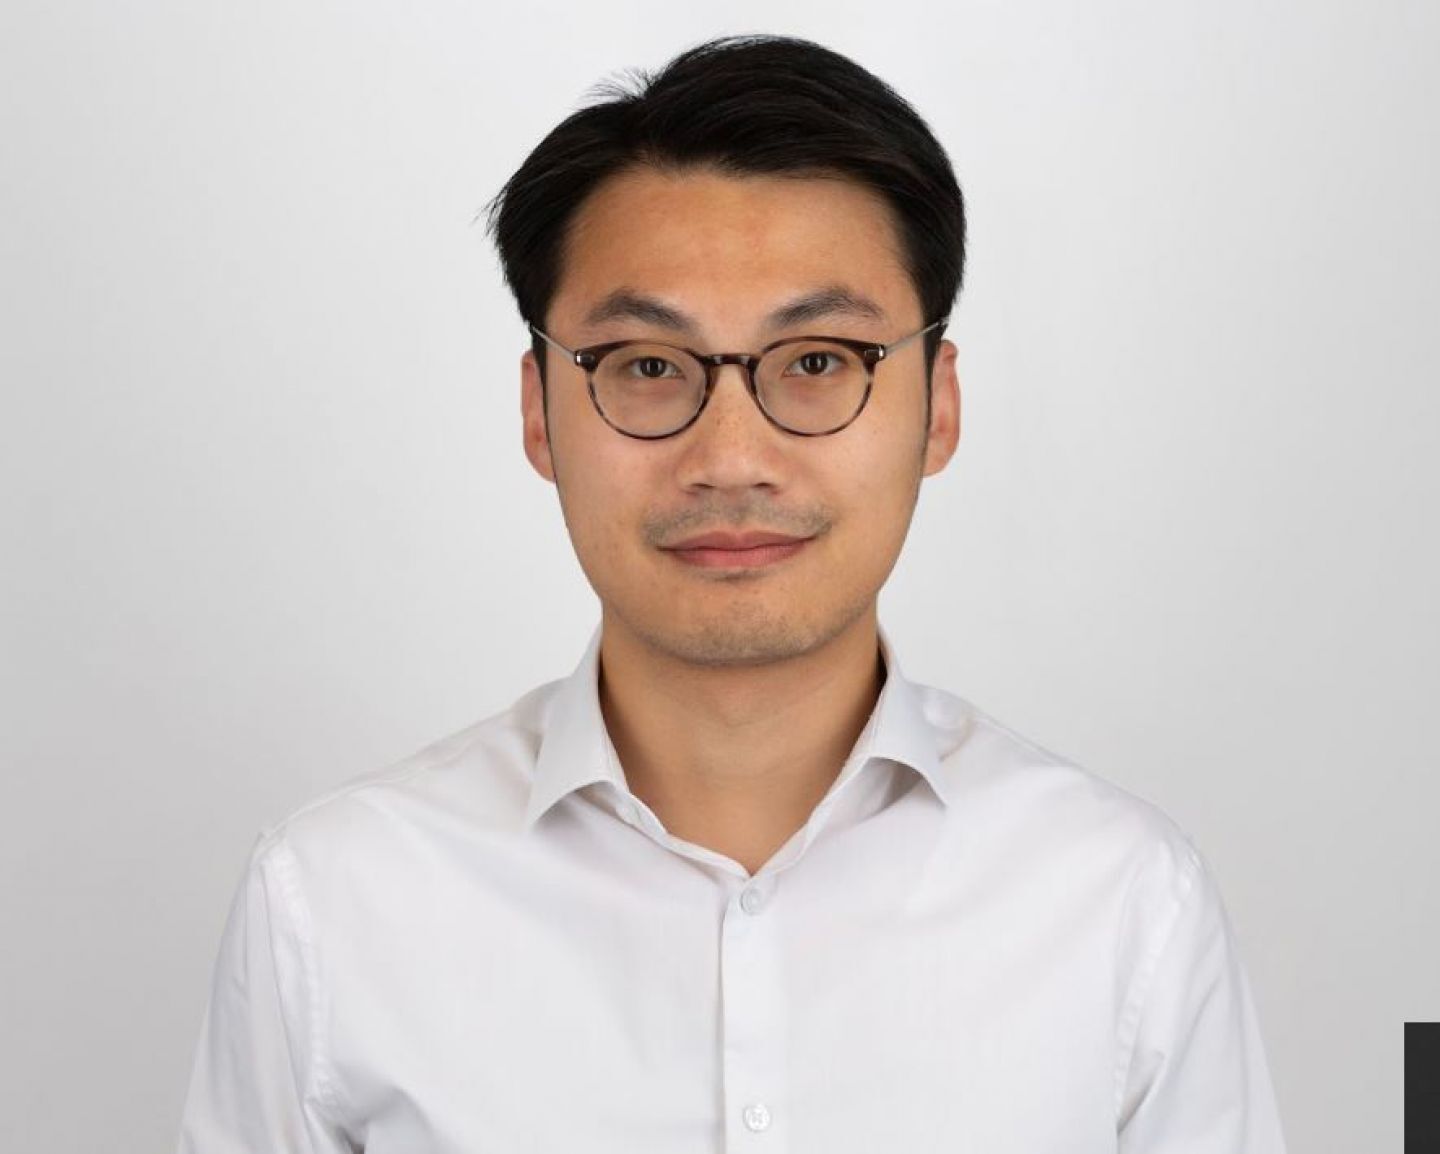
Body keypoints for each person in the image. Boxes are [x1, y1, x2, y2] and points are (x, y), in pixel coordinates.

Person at [176, 34, 1287, 1153]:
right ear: (538, 412)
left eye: (818, 360)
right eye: (648, 366)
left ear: (939, 407)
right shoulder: (334, 907)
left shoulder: (1124, 907)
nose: (731, 459)